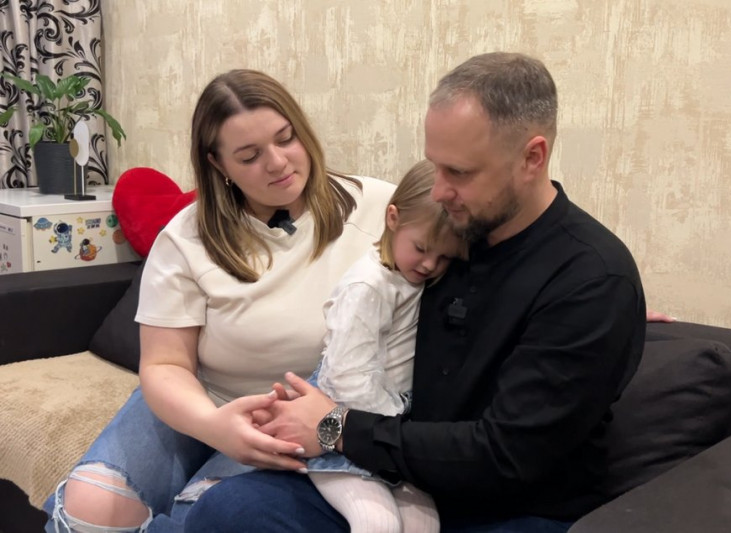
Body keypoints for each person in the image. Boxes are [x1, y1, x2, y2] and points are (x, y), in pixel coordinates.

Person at [184, 52, 649, 533]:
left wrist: (336, 426)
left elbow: (504, 456)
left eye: (460, 173)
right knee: (226, 512)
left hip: (508, 507)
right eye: (435, 167)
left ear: (532, 158)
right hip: (396, 471)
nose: (440, 191)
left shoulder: (590, 281)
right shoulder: (450, 235)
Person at [43, 69, 396, 532]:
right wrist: (214, 426)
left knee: (204, 517)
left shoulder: (380, 208)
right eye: (249, 156)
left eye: (286, 139)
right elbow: (165, 364)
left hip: (303, 415)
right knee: (88, 506)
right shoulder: (186, 237)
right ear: (218, 163)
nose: (278, 163)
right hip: (203, 398)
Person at [303, 159, 466, 533]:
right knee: (377, 522)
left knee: (425, 523)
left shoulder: (412, 277)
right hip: (346, 422)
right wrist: (395, 429)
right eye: (422, 248)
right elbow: (347, 376)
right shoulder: (369, 287)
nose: (430, 265)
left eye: (445, 256)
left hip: (388, 425)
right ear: (393, 218)